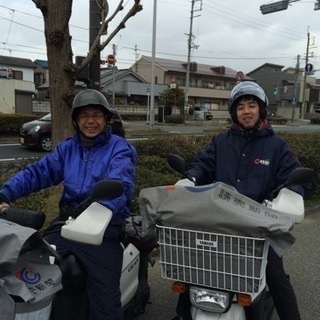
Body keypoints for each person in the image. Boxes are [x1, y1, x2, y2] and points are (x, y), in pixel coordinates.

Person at [0, 89, 137, 320]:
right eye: (84, 115)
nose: (90, 121)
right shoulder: (67, 148)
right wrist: (4, 194)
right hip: (66, 225)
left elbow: (119, 181)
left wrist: (103, 209)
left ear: (105, 120)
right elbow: (38, 173)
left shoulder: (119, 148)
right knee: (29, 272)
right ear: (76, 120)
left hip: (102, 229)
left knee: (105, 305)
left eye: (96, 115)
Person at [174, 81, 304, 320]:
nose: (246, 111)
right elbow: (203, 165)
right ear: (234, 113)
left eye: (251, 105)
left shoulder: (277, 146)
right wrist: (190, 180)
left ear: (261, 109)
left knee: (275, 277)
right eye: (241, 106)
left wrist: (291, 194)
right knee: (193, 270)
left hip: (260, 229)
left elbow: (295, 176)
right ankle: (183, 314)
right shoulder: (221, 142)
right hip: (221, 225)